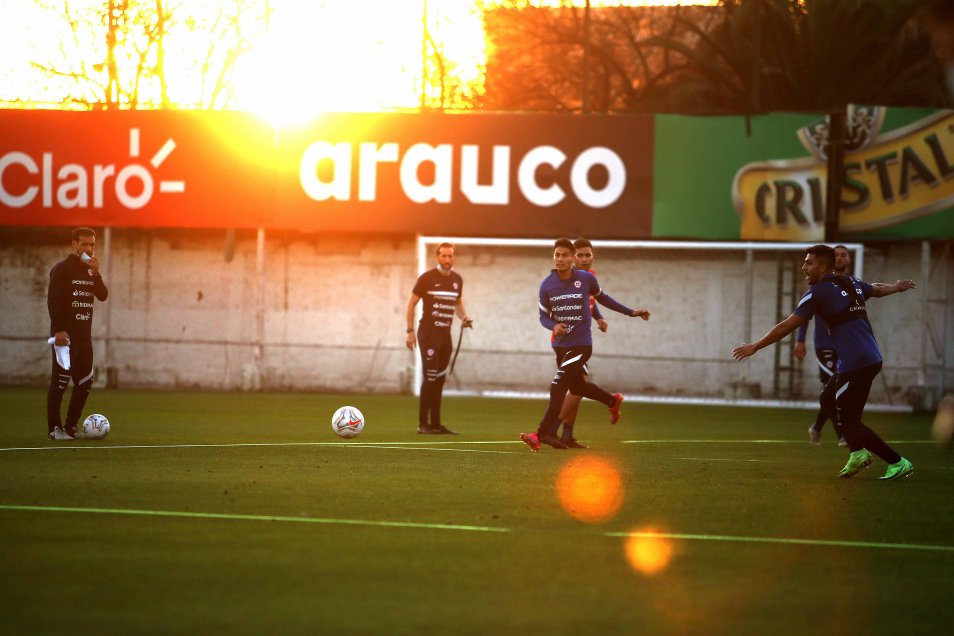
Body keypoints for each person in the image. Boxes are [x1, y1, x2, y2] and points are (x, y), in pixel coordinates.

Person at [732, 245, 917, 480]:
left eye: (808, 263)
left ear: (822, 266)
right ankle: (858, 453)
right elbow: (876, 289)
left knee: (850, 422)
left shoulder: (818, 292)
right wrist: (896, 288)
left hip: (856, 363)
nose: (803, 268)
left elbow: (788, 325)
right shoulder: (850, 282)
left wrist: (755, 346)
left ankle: (897, 462)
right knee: (827, 399)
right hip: (868, 358)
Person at [521, 238, 650, 452]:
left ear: (572, 258)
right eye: (557, 255)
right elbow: (543, 317)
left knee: (558, 385)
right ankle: (612, 401)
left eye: (565, 255)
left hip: (581, 345)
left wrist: (630, 312)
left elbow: (603, 298)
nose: (560, 259)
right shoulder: (547, 285)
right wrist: (553, 326)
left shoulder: (586, 279)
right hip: (560, 346)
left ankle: (541, 434)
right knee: (577, 387)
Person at [47, 227, 109, 440]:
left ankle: (71, 427)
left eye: (92, 245)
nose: (89, 249)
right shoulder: (61, 269)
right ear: (74, 244)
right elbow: (53, 302)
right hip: (65, 337)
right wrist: (59, 330)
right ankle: (54, 430)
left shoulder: (90, 271)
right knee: (60, 382)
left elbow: (103, 295)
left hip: (84, 338)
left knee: (85, 383)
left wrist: (97, 274)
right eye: (84, 244)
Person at [405, 242, 472, 435]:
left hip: (445, 336)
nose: (447, 259)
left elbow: (457, 303)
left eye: (450, 256)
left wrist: (464, 317)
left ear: (454, 257)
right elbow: (411, 304)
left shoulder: (457, 280)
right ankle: (422, 424)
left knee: (440, 379)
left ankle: (436, 423)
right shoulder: (426, 279)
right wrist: (409, 331)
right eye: (443, 256)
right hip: (428, 334)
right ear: (437, 257)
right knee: (431, 377)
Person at [794, 244, 852, 447]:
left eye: (844, 255)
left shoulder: (849, 285)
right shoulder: (819, 285)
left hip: (844, 347)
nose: (840, 258)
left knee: (832, 392)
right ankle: (842, 435)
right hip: (824, 345)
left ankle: (817, 428)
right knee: (834, 389)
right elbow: (803, 315)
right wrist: (800, 340)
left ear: (849, 260)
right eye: (836, 255)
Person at [552, 238, 608, 449]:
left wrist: (599, 317)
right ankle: (553, 429)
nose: (584, 259)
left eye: (588, 255)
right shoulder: (567, 278)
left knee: (577, 387)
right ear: (573, 257)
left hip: (579, 340)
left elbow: (589, 303)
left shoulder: (589, 278)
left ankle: (566, 434)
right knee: (578, 387)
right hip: (568, 341)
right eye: (580, 255)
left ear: (594, 258)